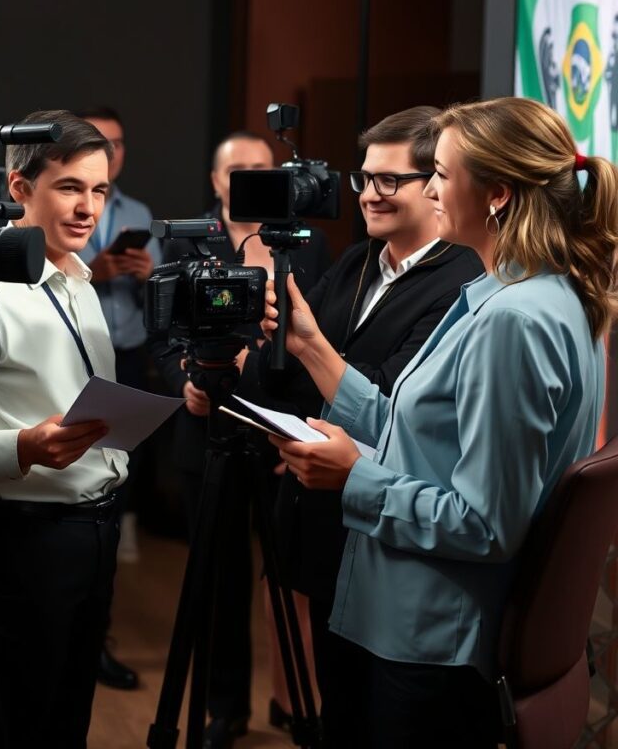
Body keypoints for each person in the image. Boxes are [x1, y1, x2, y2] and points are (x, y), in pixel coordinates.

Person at [265, 96, 618, 748]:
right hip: (418, 627)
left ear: (498, 195)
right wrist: (314, 348)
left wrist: (353, 477)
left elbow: (486, 524)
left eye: (442, 175)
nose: (428, 188)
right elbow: (423, 431)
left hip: (428, 642)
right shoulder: (535, 293)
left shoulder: (512, 319)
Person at [248, 106, 482, 744]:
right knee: (339, 707)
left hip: (393, 538)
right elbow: (301, 377)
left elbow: (391, 406)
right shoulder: (356, 262)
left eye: (390, 180)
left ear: (435, 183)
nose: (371, 194)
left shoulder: (467, 281)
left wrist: (314, 355)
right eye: (364, 178)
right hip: (324, 516)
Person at [0, 110, 126, 749]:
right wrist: (21, 448)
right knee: (9, 726)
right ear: (20, 189)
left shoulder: (80, 279)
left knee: (65, 723)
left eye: (99, 190)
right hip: (19, 541)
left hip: (96, 531)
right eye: (70, 188)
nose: (88, 208)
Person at [151, 130, 329, 748]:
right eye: (241, 169)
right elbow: (163, 333)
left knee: (293, 577)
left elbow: (321, 347)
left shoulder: (305, 245)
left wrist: (302, 431)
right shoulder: (186, 236)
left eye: (264, 168)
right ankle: (223, 708)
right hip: (207, 435)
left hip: (286, 439)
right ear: (216, 178)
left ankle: (301, 705)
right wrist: (184, 382)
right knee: (219, 581)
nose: (253, 178)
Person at [76, 105, 159, 689]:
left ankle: (95, 639)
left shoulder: (140, 213)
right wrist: (94, 270)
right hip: (69, 361)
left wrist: (146, 273)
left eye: (119, 142)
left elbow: (161, 296)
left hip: (128, 362)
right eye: (99, 140)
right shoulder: (62, 209)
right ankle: (70, 637)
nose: (112, 149)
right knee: (69, 495)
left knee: (113, 496)